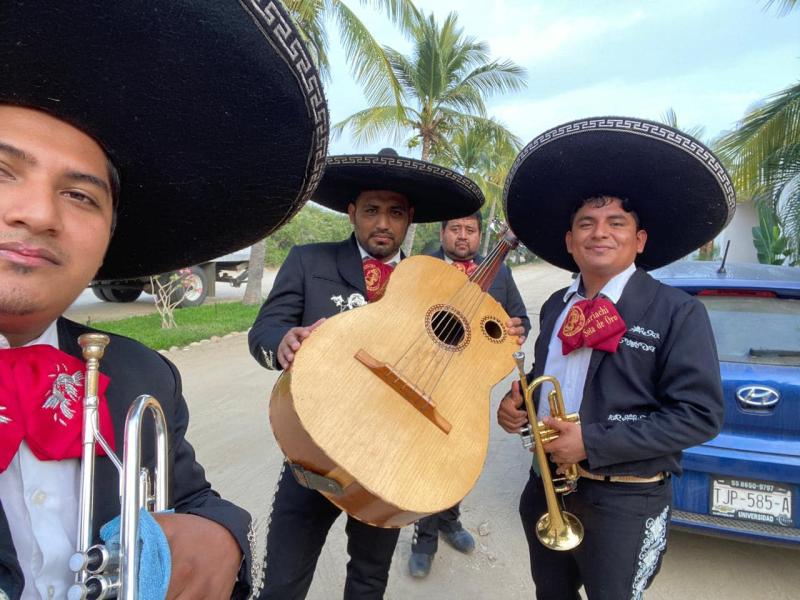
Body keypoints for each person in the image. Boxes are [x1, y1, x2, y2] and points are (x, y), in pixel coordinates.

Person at [0, 2, 327, 598]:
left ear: (106, 239)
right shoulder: (310, 260)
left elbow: (191, 500)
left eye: (79, 195)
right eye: (2, 172)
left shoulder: (141, 373)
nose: (40, 214)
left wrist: (224, 541)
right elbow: (266, 330)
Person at [250, 148, 527, 599]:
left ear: (409, 220)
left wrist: (502, 333)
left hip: (398, 461)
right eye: (372, 210)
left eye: (395, 213)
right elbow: (265, 330)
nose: (383, 223)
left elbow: (474, 341)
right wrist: (281, 344)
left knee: (368, 582)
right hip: (313, 445)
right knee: (282, 582)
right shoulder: (309, 261)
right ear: (352, 212)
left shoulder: (437, 282)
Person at [497, 116, 735, 600]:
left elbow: (700, 416)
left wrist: (592, 442)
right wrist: (518, 404)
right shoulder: (556, 306)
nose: (599, 233)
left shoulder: (677, 311)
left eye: (616, 223)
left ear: (639, 240)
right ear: (569, 241)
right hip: (547, 489)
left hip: (626, 499)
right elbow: (550, 378)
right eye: (586, 223)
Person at [408, 211, 531, 577]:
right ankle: (424, 538)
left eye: (470, 230)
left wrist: (517, 327)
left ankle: (450, 520)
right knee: (426, 459)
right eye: (456, 229)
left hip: (469, 383)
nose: (463, 236)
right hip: (422, 374)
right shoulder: (423, 267)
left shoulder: (502, 272)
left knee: (459, 456)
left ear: (480, 235)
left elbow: (521, 319)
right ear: (442, 231)